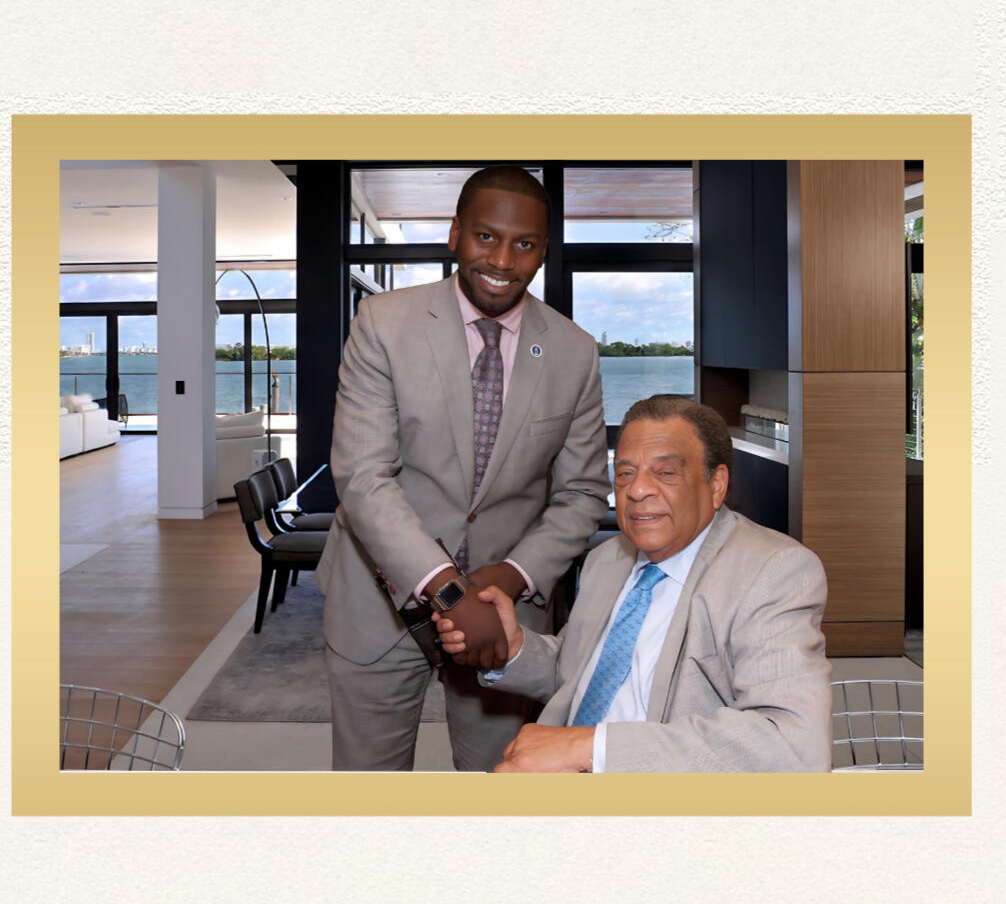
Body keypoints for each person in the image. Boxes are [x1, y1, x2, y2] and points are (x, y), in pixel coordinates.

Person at [317, 165, 610, 771]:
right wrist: (449, 589)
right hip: (378, 605)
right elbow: (363, 475)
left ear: (543, 252)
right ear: (455, 233)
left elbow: (582, 491)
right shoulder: (383, 324)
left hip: (503, 618)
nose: (503, 258)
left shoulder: (575, 352)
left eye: (524, 243)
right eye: (485, 237)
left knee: (497, 787)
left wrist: (512, 575)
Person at [434, 396, 832, 774]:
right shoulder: (608, 560)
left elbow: (791, 746)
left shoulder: (773, 571)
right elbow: (578, 670)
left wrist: (589, 749)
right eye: (625, 473)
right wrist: (516, 648)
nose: (637, 490)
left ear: (716, 485)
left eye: (665, 472)